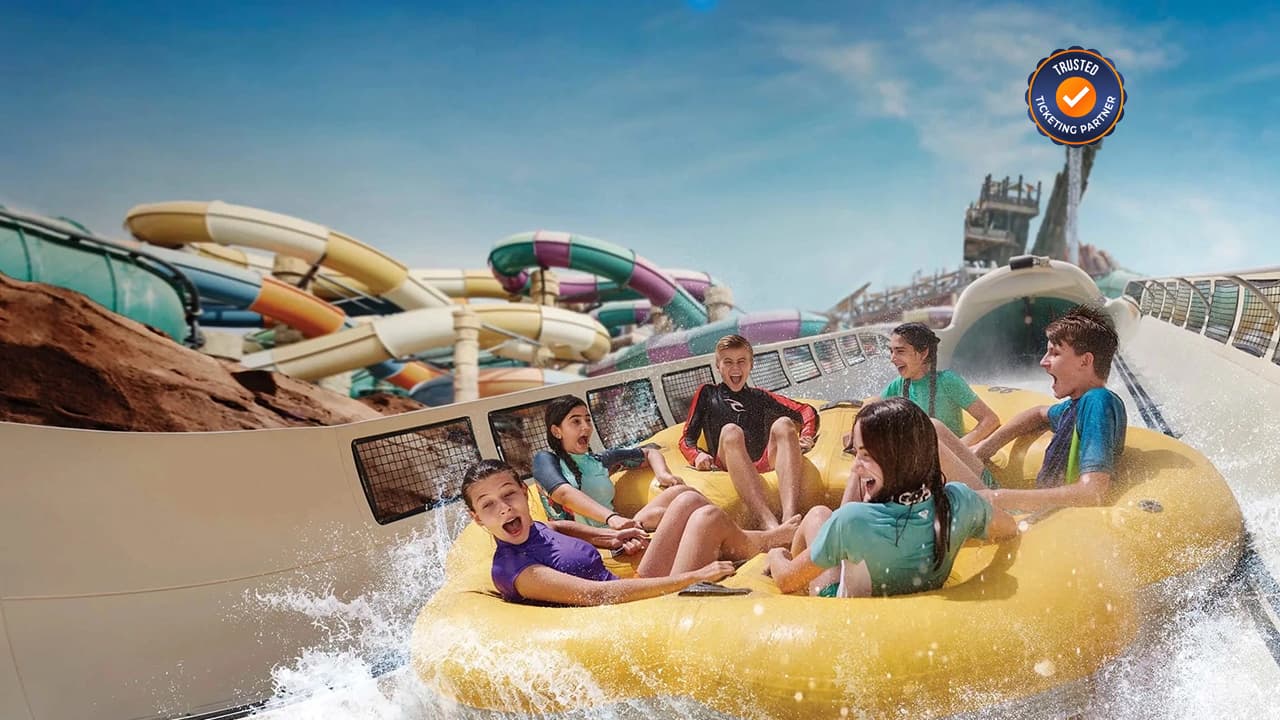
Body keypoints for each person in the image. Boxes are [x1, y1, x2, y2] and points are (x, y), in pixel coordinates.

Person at [768, 398, 1018, 597]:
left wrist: (775, 556)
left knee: (817, 515)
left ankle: (791, 556)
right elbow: (1009, 528)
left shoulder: (852, 521)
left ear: (898, 460)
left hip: (846, 613)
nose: (855, 467)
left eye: (865, 455)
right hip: (920, 601)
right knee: (826, 521)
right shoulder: (959, 502)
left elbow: (786, 580)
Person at [463, 459, 802, 605]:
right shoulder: (518, 570)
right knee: (706, 518)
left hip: (635, 585)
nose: (504, 508)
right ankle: (769, 544)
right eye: (488, 505)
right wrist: (696, 575)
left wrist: (612, 538)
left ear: (525, 493)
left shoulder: (529, 526)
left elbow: (553, 526)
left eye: (508, 494)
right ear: (477, 518)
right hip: (635, 610)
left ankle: (768, 540)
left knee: (685, 500)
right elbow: (599, 597)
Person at [961, 305, 1126, 512]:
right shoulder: (1076, 406)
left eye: (1054, 353)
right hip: (1031, 508)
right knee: (938, 431)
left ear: (1085, 361)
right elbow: (1038, 413)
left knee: (938, 439)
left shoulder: (1098, 401)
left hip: (1048, 517)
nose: (1043, 362)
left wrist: (999, 497)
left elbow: (1092, 491)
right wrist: (986, 448)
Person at [680, 334, 818, 530]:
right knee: (731, 431)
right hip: (727, 462)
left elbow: (806, 411)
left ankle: (790, 517)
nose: (735, 368)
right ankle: (767, 522)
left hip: (761, 461)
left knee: (785, 424)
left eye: (741, 361)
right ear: (718, 366)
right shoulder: (707, 394)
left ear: (751, 365)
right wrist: (697, 456)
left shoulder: (759, 396)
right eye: (728, 362)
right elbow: (687, 438)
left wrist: (806, 436)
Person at [531, 394, 696, 532]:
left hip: (618, 530)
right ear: (556, 431)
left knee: (682, 493)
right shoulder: (545, 460)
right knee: (665, 514)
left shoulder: (599, 461)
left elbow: (649, 453)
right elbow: (564, 495)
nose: (586, 427)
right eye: (576, 421)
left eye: (588, 420)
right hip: (586, 541)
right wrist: (611, 517)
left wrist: (663, 474)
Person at [883, 322, 1000, 445]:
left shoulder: (947, 381)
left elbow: (990, 419)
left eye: (900, 351)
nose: (892, 358)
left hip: (953, 458)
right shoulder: (898, 385)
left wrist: (958, 449)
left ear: (923, 353)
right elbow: (872, 412)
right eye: (891, 351)